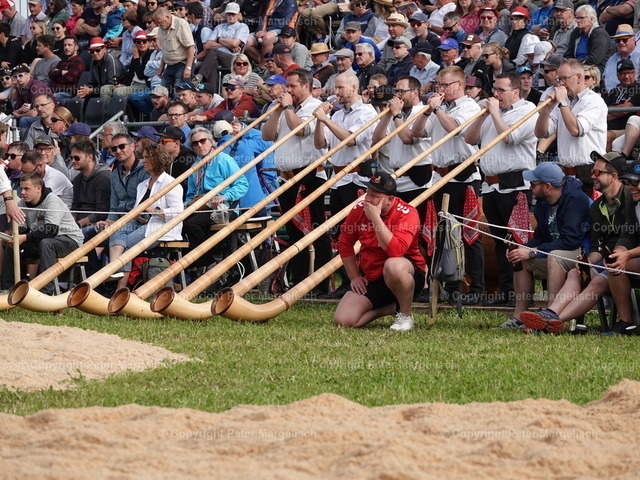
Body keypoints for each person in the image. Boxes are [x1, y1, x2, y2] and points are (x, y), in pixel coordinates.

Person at [519, 153, 631, 334]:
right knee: (575, 272)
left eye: (597, 172)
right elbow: (596, 245)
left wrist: (622, 254)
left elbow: (630, 238)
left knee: (596, 279)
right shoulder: (597, 207)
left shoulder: (630, 201)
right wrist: (587, 262)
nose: (592, 176)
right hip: (605, 261)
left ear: (613, 176)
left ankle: (551, 321)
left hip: (625, 261)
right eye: (592, 171)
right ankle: (549, 315)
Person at [411, 65, 484, 305]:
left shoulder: (469, 106)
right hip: (440, 177)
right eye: (439, 85)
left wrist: (437, 109)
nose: (441, 89)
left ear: (460, 85)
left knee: (469, 235)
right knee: (443, 235)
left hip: (463, 176)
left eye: (446, 85)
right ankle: (448, 287)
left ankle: (476, 288)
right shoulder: (438, 109)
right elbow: (417, 133)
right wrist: (426, 112)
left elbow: (455, 129)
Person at [464, 72, 538, 306]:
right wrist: (483, 115)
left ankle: (520, 294)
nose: (495, 94)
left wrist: (495, 112)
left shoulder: (527, 110)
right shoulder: (491, 113)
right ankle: (506, 291)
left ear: (515, 92)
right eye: (494, 89)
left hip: (515, 185)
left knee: (516, 240)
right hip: (491, 185)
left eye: (501, 90)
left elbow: (510, 137)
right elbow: (470, 138)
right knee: (499, 241)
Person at [261, 68, 331, 295]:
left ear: (306, 86)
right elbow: (267, 135)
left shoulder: (314, 106)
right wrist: (278, 110)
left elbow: (300, 130)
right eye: (287, 86)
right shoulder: (284, 107)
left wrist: (288, 108)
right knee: (294, 232)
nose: (288, 90)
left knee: (316, 231)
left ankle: (320, 284)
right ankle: (298, 281)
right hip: (287, 178)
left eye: (292, 86)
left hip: (309, 175)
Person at [501, 163, 591, 329]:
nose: (530, 188)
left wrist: (533, 252)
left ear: (547, 186)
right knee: (520, 259)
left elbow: (571, 241)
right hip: (557, 250)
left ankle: (549, 317)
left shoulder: (576, 199)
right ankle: (519, 317)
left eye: (533, 184)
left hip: (581, 254)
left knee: (554, 257)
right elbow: (540, 237)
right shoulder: (543, 205)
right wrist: (522, 248)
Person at [333, 172, 427, 331]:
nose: (368, 200)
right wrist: (354, 277)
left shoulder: (407, 213)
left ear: (390, 199)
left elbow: (396, 251)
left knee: (394, 265)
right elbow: (344, 243)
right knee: (343, 320)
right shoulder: (359, 209)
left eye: (375, 196)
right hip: (373, 277)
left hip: (406, 275)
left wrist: (375, 219)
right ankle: (391, 308)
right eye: (367, 193)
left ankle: (405, 315)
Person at [108, 143, 184, 289]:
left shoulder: (171, 183)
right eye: (143, 157)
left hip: (161, 226)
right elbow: (138, 208)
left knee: (127, 244)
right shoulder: (142, 185)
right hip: (141, 223)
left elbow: (177, 212)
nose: (143, 161)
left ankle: (120, 287)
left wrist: (152, 210)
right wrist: (137, 214)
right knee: (116, 230)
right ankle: (114, 270)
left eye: (147, 157)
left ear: (157, 160)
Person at [0, 171, 83, 294]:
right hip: (44, 241)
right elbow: (22, 229)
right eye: (21, 188)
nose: (22, 192)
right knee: (13, 244)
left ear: (38, 188)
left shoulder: (52, 201)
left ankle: (46, 291)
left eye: (27, 189)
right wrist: (14, 235)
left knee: (46, 243)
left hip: (70, 240)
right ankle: (7, 288)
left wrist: (25, 237)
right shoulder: (22, 203)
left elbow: (51, 230)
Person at [534, 59, 608, 196]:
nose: (561, 83)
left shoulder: (594, 101)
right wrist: (546, 110)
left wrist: (562, 102)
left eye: (564, 78)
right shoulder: (562, 103)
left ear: (578, 77)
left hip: (589, 173)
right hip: (567, 175)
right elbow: (540, 133)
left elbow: (576, 130)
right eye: (559, 79)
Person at [181, 127, 248, 272]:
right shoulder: (195, 166)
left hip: (225, 207)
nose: (199, 145)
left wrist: (225, 196)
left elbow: (242, 184)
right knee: (179, 223)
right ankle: (196, 266)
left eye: (202, 141)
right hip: (202, 207)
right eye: (195, 143)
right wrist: (186, 205)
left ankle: (209, 264)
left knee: (192, 224)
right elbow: (190, 195)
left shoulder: (224, 159)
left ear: (211, 142)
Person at [214, 111, 275, 217]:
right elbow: (267, 142)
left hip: (232, 199)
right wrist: (245, 131)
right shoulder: (247, 144)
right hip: (252, 197)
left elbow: (267, 142)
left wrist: (244, 131)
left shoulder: (213, 150)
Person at [606, 160, 640, 335]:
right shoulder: (632, 202)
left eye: (635, 182)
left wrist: (628, 255)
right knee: (615, 264)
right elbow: (628, 234)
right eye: (627, 182)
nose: (631, 187)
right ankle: (626, 323)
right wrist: (618, 252)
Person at [95, 133, 150, 234]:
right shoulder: (114, 174)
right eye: (114, 149)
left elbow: (145, 204)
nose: (118, 151)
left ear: (132, 146)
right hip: (119, 221)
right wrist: (108, 222)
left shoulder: (145, 170)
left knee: (115, 235)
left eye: (122, 146)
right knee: (86, 232)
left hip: (138, 221)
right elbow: (114, 207)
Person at [197, 2, 249, 94]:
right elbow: (208, 45)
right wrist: (227, 44)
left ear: (238, 15)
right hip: (216, 57)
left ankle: (199, 76)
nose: (230, 16)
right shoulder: (219, 27)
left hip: (233, 58)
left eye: (233, 14)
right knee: (213, 61)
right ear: (225, 14)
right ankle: (212, 93)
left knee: (213, 52)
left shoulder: (242, 27)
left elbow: (234, 43)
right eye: (228, 14)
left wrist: (218, 39)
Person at [153, 7, 195, 90]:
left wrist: (188, 67)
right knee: (162, 92)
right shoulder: (162, 28)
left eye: (160, 22)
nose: (159, 25)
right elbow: (165, 49)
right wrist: (161, 66)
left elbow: (190, 46)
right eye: (157, 23)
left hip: (182, 64)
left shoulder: (181, 24)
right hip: (169, 65)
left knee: (179, 92)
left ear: (168, 17)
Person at [565, 5, 614, 71]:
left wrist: (576, 63)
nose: (578, 21)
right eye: (577, 18)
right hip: (577, 67)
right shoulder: (576, 32)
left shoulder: (599, 33)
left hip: (595, 69)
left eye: (581, 18)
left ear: (592, 19)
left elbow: (595, 59)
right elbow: (568, 54)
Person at [157, 125, 195, 200]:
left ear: (176, 144)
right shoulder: (163, 159)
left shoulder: (187, 161)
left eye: (163, 142)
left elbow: (185, 188)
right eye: (159, 141)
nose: (159, 145)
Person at [602, 24, 640, 93]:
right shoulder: (612, 59)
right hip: (609, 96)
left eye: (624, 40)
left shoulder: (638, 58)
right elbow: (604, 78)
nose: (621, 43)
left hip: (631, 95)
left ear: (633, 40)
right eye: (618, 40)